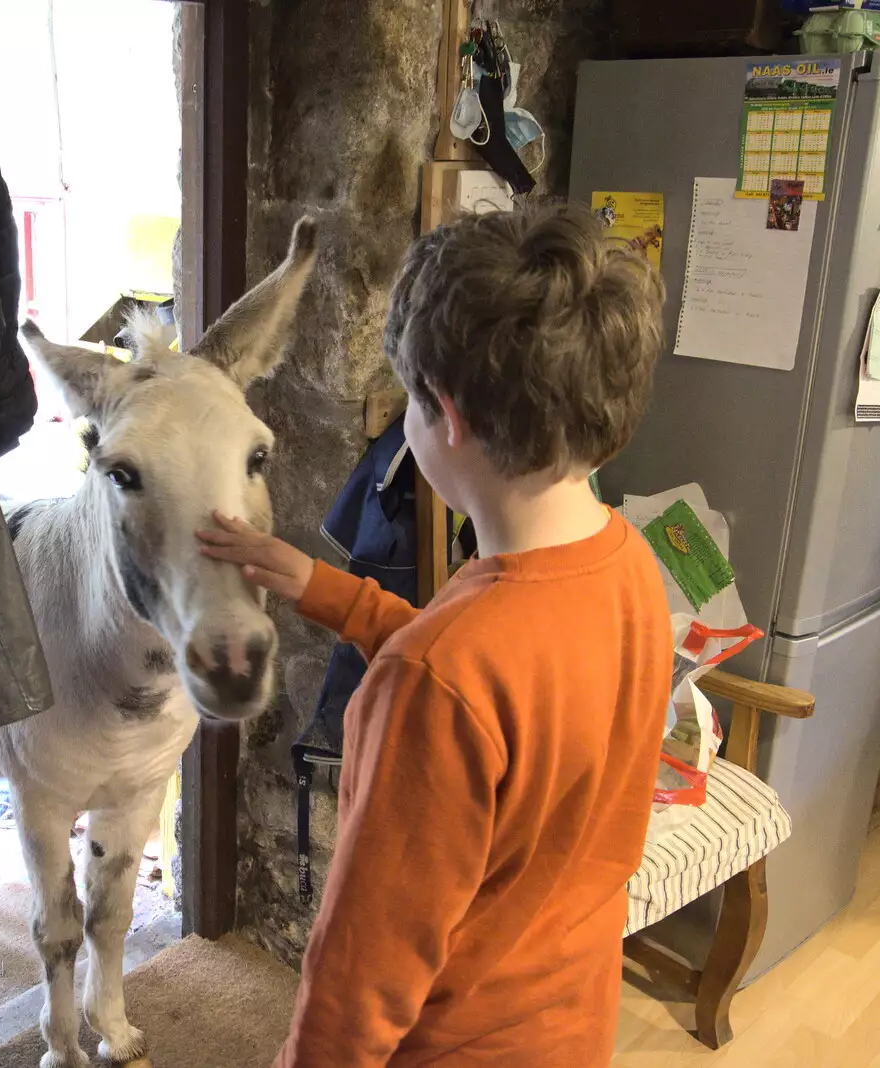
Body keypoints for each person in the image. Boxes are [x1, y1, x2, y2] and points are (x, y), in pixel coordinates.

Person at [199, 202, 672, 1066]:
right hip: (572, 1028)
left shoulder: (437, 677)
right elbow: (501, 688)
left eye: (407, 405)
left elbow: (359, 979)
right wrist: (322, 587)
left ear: (445, 416)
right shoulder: (628, 567)